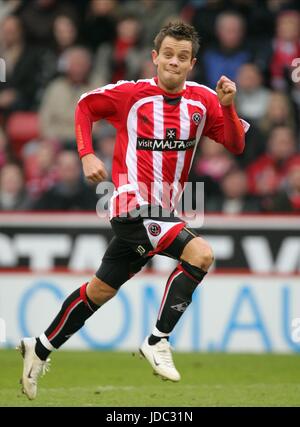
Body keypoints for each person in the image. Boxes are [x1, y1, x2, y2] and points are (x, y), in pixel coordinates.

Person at [19, 21, 249, 400]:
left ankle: (39, 347)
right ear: (155, 57)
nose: (174, 63)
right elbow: (84, 106)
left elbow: (235, 144)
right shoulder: (131, 95)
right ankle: (158, 340)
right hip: (131, 204)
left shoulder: (204, 100)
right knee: (201, 253)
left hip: (162, 211)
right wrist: (86, 153)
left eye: (183, 57)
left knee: (99, 291)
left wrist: (227, 107)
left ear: (192, 63)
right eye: (168, 55)